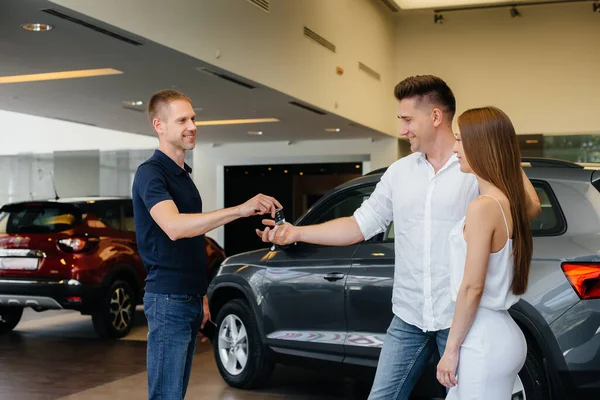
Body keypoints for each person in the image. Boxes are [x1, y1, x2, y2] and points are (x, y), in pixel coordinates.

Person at [256, 75, 541, 399]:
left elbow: (526, 209)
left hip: (460, 318)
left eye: (407, 120)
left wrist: (498, 150)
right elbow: (360, 224)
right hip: (409, 314)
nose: (402, 130)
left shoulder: (472, 170)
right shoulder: (399, 173)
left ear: (435, 117)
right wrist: (296, 232)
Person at [132, 89, 282, 400]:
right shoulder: (150, 174)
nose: (192, 126)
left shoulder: (182, 176)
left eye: (194, 118)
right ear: (159, 125)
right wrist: (239, 210)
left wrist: (200, 295)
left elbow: (191, 243)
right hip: (167, 299)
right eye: (182, 120)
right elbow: (174, 228)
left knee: (176, 393)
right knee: (166, 395)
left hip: (186, 296)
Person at [436, 106, 533, 399]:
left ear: (482, 146)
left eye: (460, 139)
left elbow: (472, 287)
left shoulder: (483, 207)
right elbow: (535, 205)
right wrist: (507, 154)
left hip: (482, 339)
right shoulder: (509, 204)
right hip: (500, 333)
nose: (455, 148)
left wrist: (450, 350)